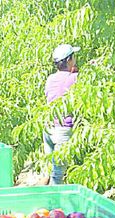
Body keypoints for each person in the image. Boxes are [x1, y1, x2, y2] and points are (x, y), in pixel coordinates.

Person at [43, 43, 80, 185]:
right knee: (57, 176)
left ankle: (45, 194)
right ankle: (53, 199)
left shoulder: (50, 79)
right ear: (69, 60)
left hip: (48, 128)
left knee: (51, 170)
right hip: (62, 129)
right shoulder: (75, 78)